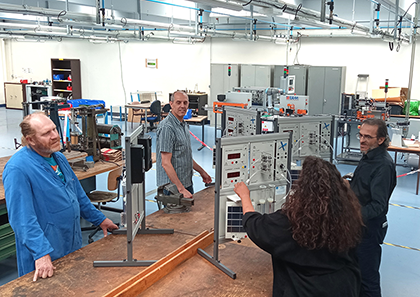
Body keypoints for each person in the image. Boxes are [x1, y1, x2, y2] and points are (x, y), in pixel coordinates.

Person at [3, 113, 118, 281]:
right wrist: (41, 254)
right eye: (46, 133)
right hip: (44, 253)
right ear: (30, 140)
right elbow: (22, 219)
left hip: (70, 242)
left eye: (54, 129)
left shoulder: (59, 158)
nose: (55, 136)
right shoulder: (18, 169)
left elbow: (78, 195)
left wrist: (100, 219)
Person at [234, 156, 364, 297]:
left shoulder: (291, 222)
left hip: (305, 290)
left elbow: (255, 225)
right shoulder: (349, 215)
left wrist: (244, 196)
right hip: (345, 287)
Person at [349, 118, 396, 297]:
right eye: (360, 135)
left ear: (381, 140)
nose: (362, 140)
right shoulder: (368, 156)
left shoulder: (383, 165)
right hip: (357, 225)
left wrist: (349, 215)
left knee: (368, 280)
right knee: (354, 272)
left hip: (369, 229)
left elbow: (378, 206)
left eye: (368, 137)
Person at [156, 90, 211, 198]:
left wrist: (201, 172)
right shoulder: (167, 128)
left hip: (185, 183)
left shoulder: (184, 125)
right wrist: (180, 189)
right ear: (171, 104)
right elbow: (165, 163)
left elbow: (185, 155)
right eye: (178, 102)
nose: (182, 106)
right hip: (172, 188)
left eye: (185, 103)